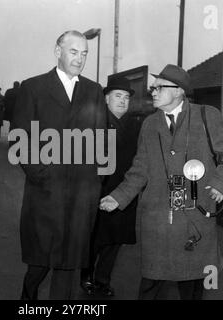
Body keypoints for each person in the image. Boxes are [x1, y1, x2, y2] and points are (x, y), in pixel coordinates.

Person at [100, 64, 223, 300]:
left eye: (159, 87)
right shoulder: (149, 125)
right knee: (150, 285)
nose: (153, 92)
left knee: (191, 288)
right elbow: (140, 169)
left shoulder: (207, 116)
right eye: (152, 88)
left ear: (178, 91)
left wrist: (222, 183)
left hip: (194, 221)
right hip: (158, 222)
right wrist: (119, 196)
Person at [12, 30, 107, 300]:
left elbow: (101, 139)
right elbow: (21, 139)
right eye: (74, 52)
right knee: (40, 259)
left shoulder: (94, 90)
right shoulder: (33, 88)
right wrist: (40, 175)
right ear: (58, 52)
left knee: (71, 260)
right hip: (45, 190)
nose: (80, 59)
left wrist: (95, 182)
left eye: (84, 53)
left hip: (81, 194)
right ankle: (28, 299)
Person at [80, 77, 142, 297]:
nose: (123, 101)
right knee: (95, 239)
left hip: (124, 193)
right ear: (106, 99)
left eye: (126, 97)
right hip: (100, 192)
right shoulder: (94, 123)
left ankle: (102, 280)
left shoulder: (134, 125)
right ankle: (85, 276)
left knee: (115, 241)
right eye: (117, 96)